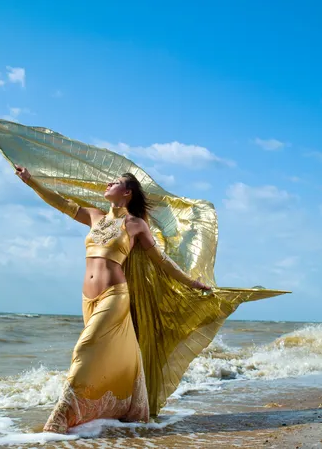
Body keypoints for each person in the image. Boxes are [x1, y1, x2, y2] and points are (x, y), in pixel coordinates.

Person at [14, 165, 210, 433]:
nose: (107, 184)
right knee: (101, 357)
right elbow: (60, 203)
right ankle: (108, 410)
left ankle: (61, 419)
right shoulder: (94, 216)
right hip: (87, 298)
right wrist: (31, 181)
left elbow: (161, 261)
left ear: (127, 192)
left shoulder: (135, 225)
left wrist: (192, 282)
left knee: (84, 350)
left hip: (114, 295)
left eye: (114, 182)